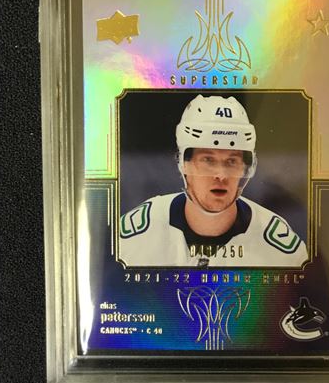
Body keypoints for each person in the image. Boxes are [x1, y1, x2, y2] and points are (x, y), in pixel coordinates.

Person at [118, 95, 308, 267]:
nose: (221, 175)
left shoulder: (281, 251)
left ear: (245, 167)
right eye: (208, 160)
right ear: (184, 163)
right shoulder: (136, 237)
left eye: (232, 161)